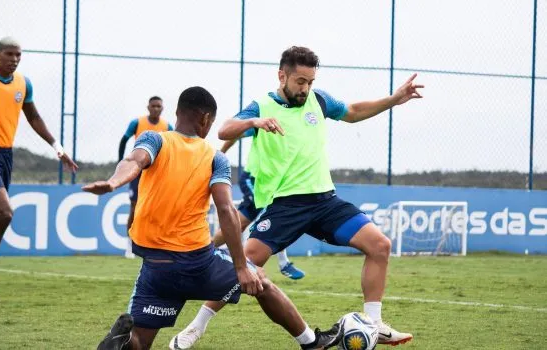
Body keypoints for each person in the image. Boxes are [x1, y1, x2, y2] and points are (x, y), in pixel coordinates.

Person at [172, 46, 423, 347]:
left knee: (380, 245)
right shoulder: (262, 106)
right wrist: (254, 123)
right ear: (282, 76)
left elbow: (354, 112)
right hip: (285, 205)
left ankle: (375, 323)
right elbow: (225, 130)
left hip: (325, 202)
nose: (306, 88)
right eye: (300, 81)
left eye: (310, 81)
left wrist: (394, 99)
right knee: (246, 263)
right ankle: (196, 327)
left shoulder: (319, 100)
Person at [84, 86, 342, 350]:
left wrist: (113, 182)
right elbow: (226, 210)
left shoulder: (155, 140)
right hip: (198, 264)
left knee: (139, 339)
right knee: (261, 280)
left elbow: (134, 161)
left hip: (156, 268)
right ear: (206, 120)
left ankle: (123, 343)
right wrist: (242, 267)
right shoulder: (215, 158)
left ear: (176, 113)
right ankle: (312, 343)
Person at [0, 37, 78, 302]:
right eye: (9, 54)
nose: (14, 59)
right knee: (6, 213)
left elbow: (33, 117)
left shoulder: (23, 84)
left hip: (5, 155)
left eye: (18, 55)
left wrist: (58, 148)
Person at [213, 138, 305, 280]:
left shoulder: (289, 129)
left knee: (239, 223)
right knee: (274, 217)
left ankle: (204, 251)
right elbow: (234, 133)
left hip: (270, 182)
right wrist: (220, 155)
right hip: (253, 179)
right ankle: (283, 263)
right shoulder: (261, 121)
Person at [118, 96, 173, 259]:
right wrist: (121, 161)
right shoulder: (137, 123)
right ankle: (129, 245)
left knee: (159, 208)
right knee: (134, 208)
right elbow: (123, 140)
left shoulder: (167, 126)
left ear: (162, 109)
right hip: (138, 170)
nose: (156, 109)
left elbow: (172, 147)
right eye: (153, 106)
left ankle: (156, 245)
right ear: (148, 107)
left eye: (159, 106)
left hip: (158, 172)